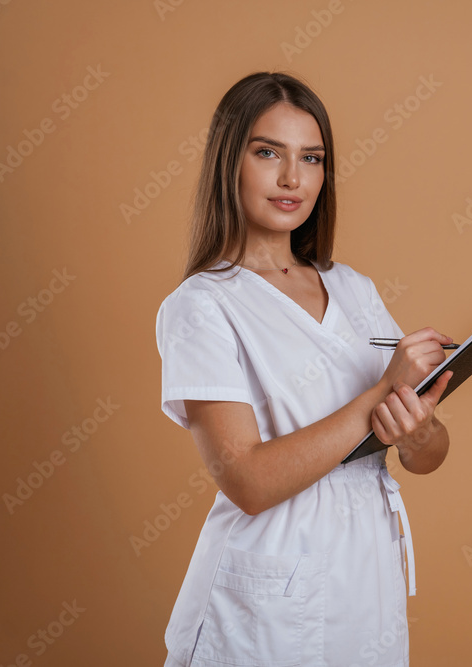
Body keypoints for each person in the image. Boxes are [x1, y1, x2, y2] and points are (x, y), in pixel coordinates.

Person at [155, 71, 454, 667]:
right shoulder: (202, 305)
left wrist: (417, 428)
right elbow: (247, 481)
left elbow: (427, 455)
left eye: (311, 158)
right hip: (266, 594)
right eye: (268, 152)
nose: (293, 178)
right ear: (228, 163)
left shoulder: (353, 289)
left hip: (365, 580)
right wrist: (378, 396)